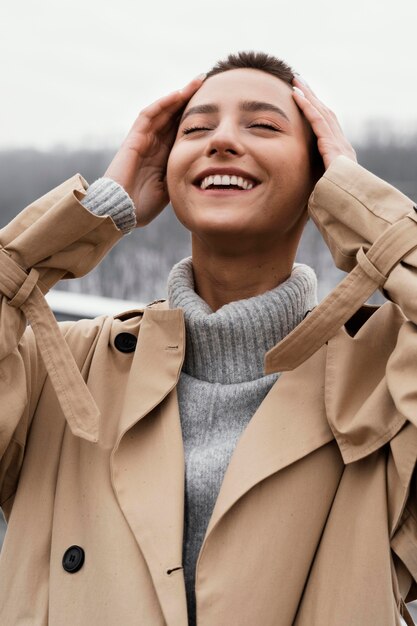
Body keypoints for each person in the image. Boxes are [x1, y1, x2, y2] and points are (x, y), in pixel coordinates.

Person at [0, 50, 416, 626]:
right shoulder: (63, 367)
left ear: (321, 176)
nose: (220, 141)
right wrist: (83, 221)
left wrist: (362, 208)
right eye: (195, 129)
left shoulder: (386, 379)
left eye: (263, 125)